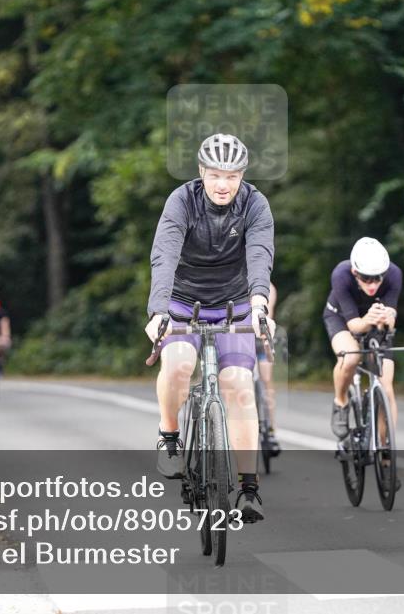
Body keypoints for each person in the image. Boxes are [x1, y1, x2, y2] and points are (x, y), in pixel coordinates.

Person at [145, 132, 275, 523]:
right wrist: (157, 312)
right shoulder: (182, 201)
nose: (223, 185)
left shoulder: (255, 204)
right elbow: (164, 255)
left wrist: (259, 305)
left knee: (237, 385)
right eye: (216, 175)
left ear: (243, 176)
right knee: (181, 363)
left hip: (235, 305)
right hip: (184, 302)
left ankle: (249, 488)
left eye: (232, 176)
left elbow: (259, 255)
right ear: (201, 173)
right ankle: (169, 439)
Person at [323, 237, 402, 488]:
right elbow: (355, 325)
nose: (372, 284)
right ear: (355, 272)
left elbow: (390, 321)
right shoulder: (341, 275)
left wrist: (388, 318)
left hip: (375, 321)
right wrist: (369, 319)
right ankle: (341, 401)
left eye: (377, 278)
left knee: (386, 387)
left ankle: (386, 450)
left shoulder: (394, 275)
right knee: (351, 356)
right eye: (366, 278)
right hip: (342, 319)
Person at [255, 282, 280, 453]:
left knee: (266, 379)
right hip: (238, 336)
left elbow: (267, 313)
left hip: (260, 337)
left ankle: (270, 429)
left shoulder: (267, 287)